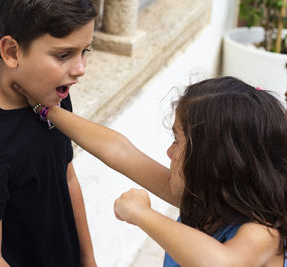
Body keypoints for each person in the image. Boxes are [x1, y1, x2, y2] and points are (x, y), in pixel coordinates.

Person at [21, 76, 287, 266]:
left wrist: (141, 214)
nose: (169, 153)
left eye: (178, 141)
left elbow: (220, 262)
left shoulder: (263, 234)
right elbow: (121, 152)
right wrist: (46, 109)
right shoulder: (204, 201)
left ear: (216, 161)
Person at [0, 0, 97, 266]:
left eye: (85, 51)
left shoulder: (54, 99)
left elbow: (68, 177)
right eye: (64, 55)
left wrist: (88, 259)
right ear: (12, 51)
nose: (80, 69)